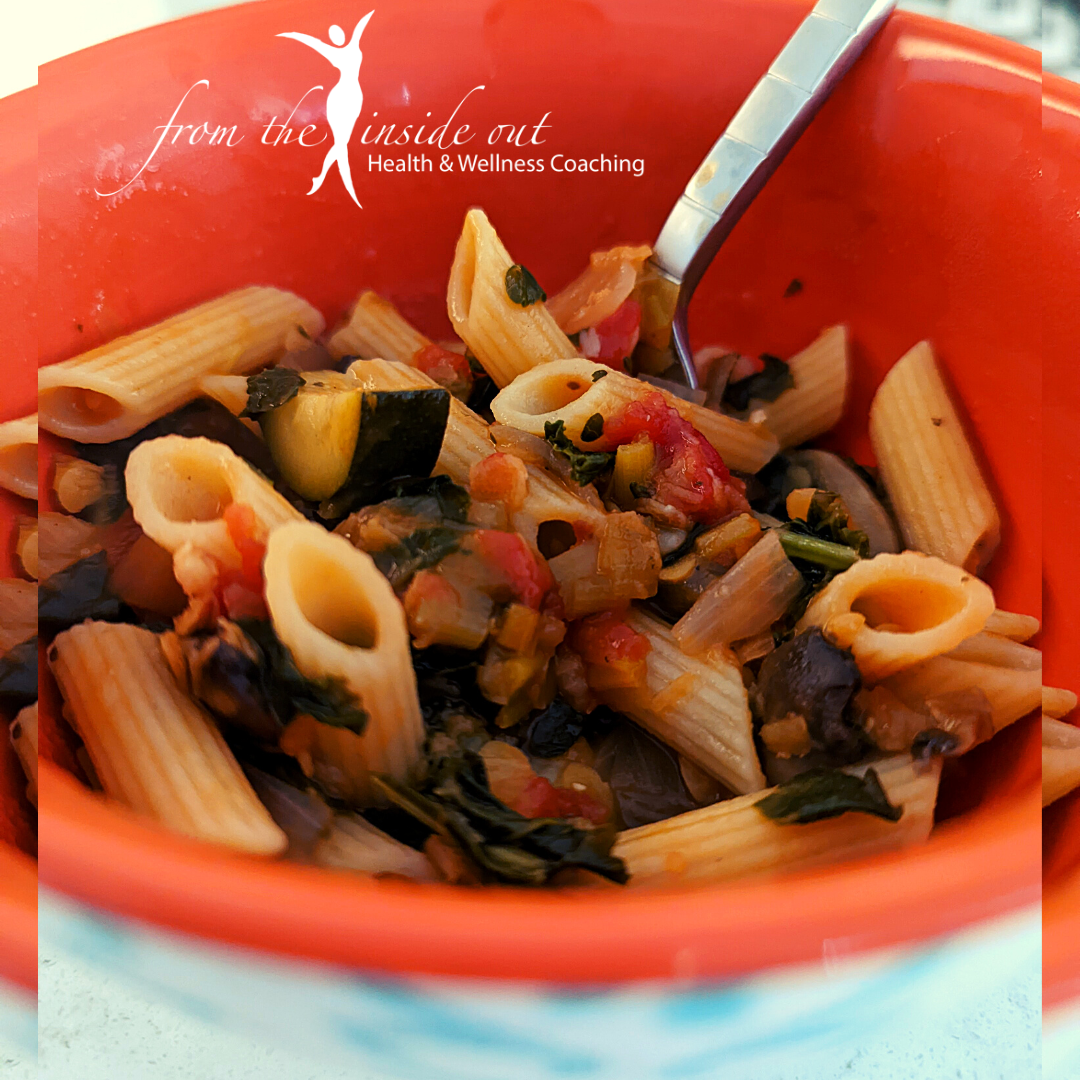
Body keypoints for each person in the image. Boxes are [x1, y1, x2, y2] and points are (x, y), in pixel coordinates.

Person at [278, 11, 374, 208]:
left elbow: (360, 27)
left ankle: (322, 179)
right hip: (339, 97)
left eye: (338, 32)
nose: (336, 36)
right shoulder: (333, 52)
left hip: (355, 95)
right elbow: (312, 42)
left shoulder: (353, 46)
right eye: (333, 34)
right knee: (342, 144)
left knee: (343, 143)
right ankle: (345, 189)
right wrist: (292, 35)